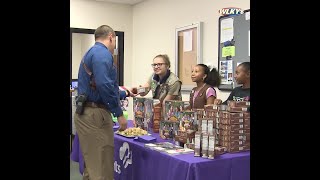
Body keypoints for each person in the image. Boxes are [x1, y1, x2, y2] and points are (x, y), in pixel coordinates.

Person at [74, 25, 127, 180]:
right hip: (95, 114)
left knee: (92, 168)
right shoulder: (102, 54)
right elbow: (104, 85)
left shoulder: (92, 52)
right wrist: (119, 114)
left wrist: (125, 92)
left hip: (87, 112)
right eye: (115, 40)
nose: (114, 45)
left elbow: (100, 85)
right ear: (111, 37)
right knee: (102, 170)